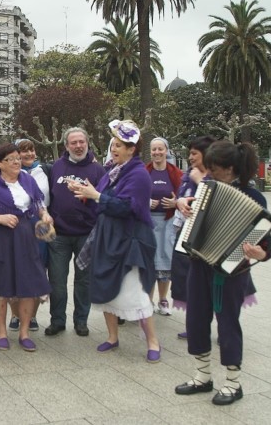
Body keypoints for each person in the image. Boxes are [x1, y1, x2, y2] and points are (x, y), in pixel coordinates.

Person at [175, 140, 271, 406]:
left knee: (228, 323)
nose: (207, 173)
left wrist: (259, 253)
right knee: (196, 319)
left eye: (213, 169)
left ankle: (233, 383)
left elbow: (265, 246)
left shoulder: (254, 198)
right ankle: (202, 376)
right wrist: (182, 203)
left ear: (230, 169)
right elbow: (190, 213)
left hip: (231, 270)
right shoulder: (206, 189)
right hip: (199, 263)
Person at [72, 120, 162, 363]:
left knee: (136, 291)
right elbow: (101, 202)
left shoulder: (139, 174)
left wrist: (96, 195)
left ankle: (153, 341)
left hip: (130, 239)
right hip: (107, 237)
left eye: (119, 145)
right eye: (113, 144)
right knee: (105, 288)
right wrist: (86, 193)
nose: (114, 148)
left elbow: (128, 207)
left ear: (132, 149)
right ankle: (113, 337)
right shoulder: (113, 170)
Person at [0, 142, 53, 352]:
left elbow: (38, 204)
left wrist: (45, 215)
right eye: (11, 159)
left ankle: (25, 333)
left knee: (29, 284)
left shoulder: (27, 180)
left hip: (25, 237)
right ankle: (1, 333)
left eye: (18, 157)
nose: (17, 161)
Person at [45, 127, 106, 337]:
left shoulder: (98, 170)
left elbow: (104, 201)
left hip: (86, 235)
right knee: (57, 281)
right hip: (59, 235)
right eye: (74, 143)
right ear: (66, 145)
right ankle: (57, 320)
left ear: (87, 143)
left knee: (83, 281)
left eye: (82, 142)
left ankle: (81, 320)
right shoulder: (56, 167)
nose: (78, 146)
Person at [171, 135, 216, 339]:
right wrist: (179, 202)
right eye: (190, 153)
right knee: (190, 281)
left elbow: (216, 201)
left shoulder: (216, 176)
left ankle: (220, 326)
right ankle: (194, 326)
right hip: (186, 233)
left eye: (194, 154)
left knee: (211, 284)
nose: (190, 157)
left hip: (209, 237)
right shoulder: (188, 175)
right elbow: (180, 197)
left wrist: (201, 181)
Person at [8, 138, 51, 332]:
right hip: (18, 224)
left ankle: (32, 316)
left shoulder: (45, 170)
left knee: (38, 268)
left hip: (41, 223)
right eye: (24, 151)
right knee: (16, 268)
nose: (29, 154)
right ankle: (15, 315)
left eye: (32, 150)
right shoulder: (10, 172)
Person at [146, 137, 183, 316]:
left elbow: (185, 197)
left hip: (169, 223)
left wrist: (176, 203)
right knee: (149, 261)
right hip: (149, 222)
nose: (157, 152)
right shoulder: (144, 171)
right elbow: (134, 193)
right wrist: (145, 202)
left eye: (160, 149)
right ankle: (148, 300)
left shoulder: (176, 173)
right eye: (154, 149)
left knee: (165, 261)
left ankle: (163, 299)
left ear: (166, 151)